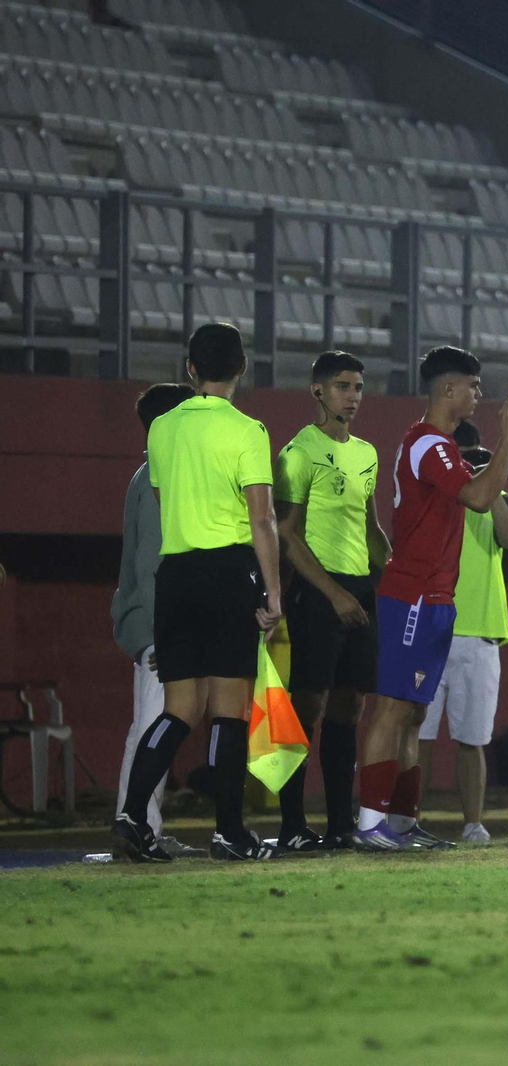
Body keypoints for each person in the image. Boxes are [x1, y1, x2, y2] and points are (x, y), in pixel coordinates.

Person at [352, 346, 508, 850]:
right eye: (474, 386)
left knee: (412, 713)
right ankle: (369, 823)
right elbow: (479, 498)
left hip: (435, 596)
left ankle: (400, 822)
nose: (479, 394)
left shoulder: (441, 449)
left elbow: (480, 491)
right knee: (392, 708)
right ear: (449, 389)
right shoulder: (428, 444)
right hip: (412, 593)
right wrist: (502, 443)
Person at [111, 323, 284, 862]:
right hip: (229, 572)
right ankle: (228, 832)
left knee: (178, 709)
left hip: (176, 577)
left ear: (189, 369)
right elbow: (262, 519)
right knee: (229, 712)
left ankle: (132, 816)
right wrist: (273, 593)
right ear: (242, 368)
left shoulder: (161, 429)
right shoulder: (248, 431)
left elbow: (164, 499)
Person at [271, 351, 390, 852]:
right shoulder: (298, 453)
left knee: (351, 705)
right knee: (307, 705)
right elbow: (286, 534)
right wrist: (334, 592)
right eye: (343, 386)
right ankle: (293, 826)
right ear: (318, 391)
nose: (353, 396)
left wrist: (396, 576)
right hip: (318, 592)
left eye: (358, 387)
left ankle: (341, 825)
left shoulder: (367, 453)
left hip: (360, 589)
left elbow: (371, 528)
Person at [110, 381, 202, 859]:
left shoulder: (151, 474)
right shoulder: (156, 481)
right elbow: (152, 568)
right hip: (157, 627)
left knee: (150, 727)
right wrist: (163, 637)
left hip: (152, 624)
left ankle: (144, 827)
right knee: (151, 728)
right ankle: (137, 829)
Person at [418, 420, 508, 844]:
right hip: (430, 626)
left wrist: (490, 484)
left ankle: (473, 823)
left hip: (480, 632)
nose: (467, 462)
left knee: (472, 738)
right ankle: (408, 819)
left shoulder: (496, 496)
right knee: (417, 734)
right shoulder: (431, 496)